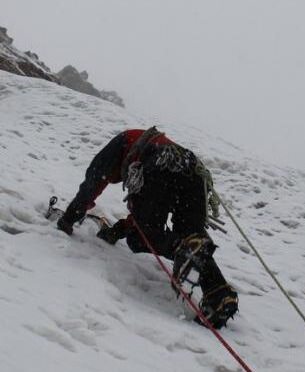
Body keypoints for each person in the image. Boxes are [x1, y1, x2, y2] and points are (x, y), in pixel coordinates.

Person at [57, 127, 239, 329]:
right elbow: (146, 215)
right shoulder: (143, 156)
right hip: (192, 171)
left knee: (140, 238)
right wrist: (118, 230)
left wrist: (68, 218)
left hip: (162, 163)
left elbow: (93, 180)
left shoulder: (121, 146)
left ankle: (181, 249)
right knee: (192, 238)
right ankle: (219, 294)